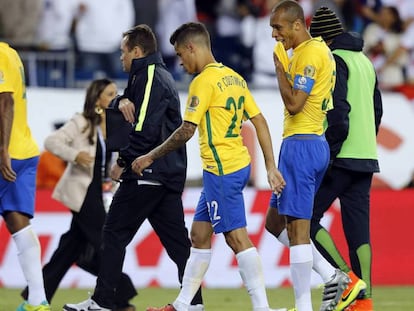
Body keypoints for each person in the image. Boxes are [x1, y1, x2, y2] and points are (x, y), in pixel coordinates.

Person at [135, 22, 286, 311]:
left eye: (180, 55)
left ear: (192, 47)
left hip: (222, 169)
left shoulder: (203, 82)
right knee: (199, 235)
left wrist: (150, 156)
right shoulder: (234, 78)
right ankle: (184, 304)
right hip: (235, 165)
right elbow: (260, 121)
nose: (181, 62)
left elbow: (186, 130)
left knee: (236, 237)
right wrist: (269, 166)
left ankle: (263, 308)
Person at [62, 24, 204, 311]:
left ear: (136, 51)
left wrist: (123, 161)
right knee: (178, 245)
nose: (120, 58)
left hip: (146, 171)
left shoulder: (149, 75)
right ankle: (194, 303)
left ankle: (102, 302)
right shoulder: (146, 76)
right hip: (165, 174)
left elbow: (145, 129)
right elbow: (134, 110)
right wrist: (119, 99)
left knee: (113, 233)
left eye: (123, 53)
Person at [20, 79, 137, 311]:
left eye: (116, 93)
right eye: (110, 94)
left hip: (104, 194)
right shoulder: (81, 122)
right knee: (106, 243)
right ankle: (121, 294)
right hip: (83, 193)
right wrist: (75, 155)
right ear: (97, 100)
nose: (116, 97)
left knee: (70, 248)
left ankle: (35, 297)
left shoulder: (118, 124)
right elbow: (51, 142)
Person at [265, 1, 346, 310]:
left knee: (298, 231)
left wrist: (278, 68)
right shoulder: (309, 52)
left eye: (279, 28)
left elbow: (295, 104)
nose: (275, 35)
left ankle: (303, 307)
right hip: (305, 143)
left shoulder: (309, 54)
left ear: (298, 24)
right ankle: (330, 275)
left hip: (302, 143)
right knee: (275, 224)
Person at [309, 7, 383, 311]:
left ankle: (346, 279)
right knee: (358, 231)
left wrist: (329, 151)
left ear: (324, 39)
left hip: (339, 157)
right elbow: (377, 111)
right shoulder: (365, 62)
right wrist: (366, 142)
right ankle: (364, 303)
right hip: (365, 157)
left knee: (305, 218)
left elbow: (338, 115)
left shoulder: (334, 60)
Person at [0, 42, 50, 311]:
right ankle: (37, 301)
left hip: (7, 153)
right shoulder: (10, 52)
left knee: (18, 223)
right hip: (23, 149)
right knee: (17, 222)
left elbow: (5, 100)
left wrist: (3, 149)